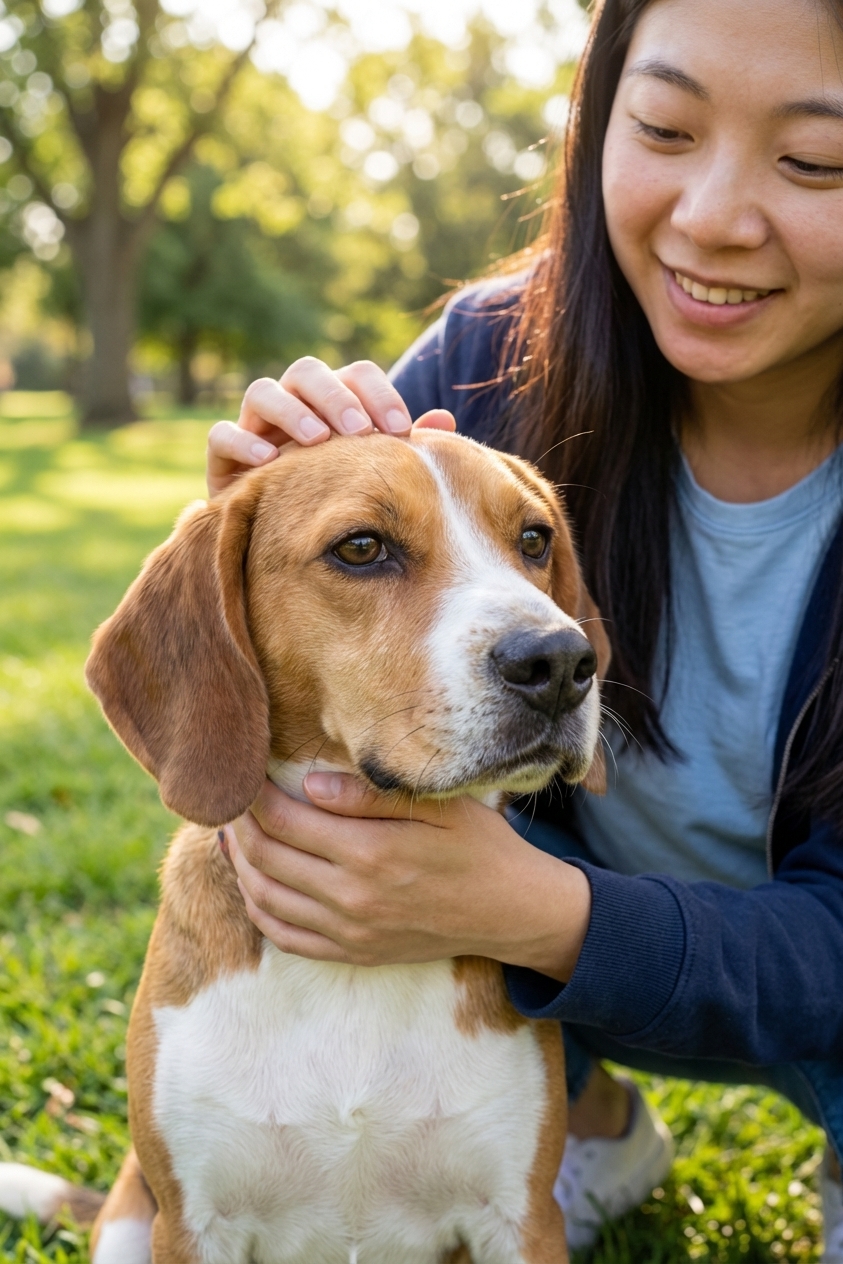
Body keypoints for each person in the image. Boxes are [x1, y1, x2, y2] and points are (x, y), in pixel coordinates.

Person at [205, 0, 843, 1253]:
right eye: (662, 126)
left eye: (816, 160)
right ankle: (587, 1117)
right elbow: (275, 666)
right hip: (554, 997)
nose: (712, 217)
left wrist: (540, 915)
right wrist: (257, 522)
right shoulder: (497, 357)